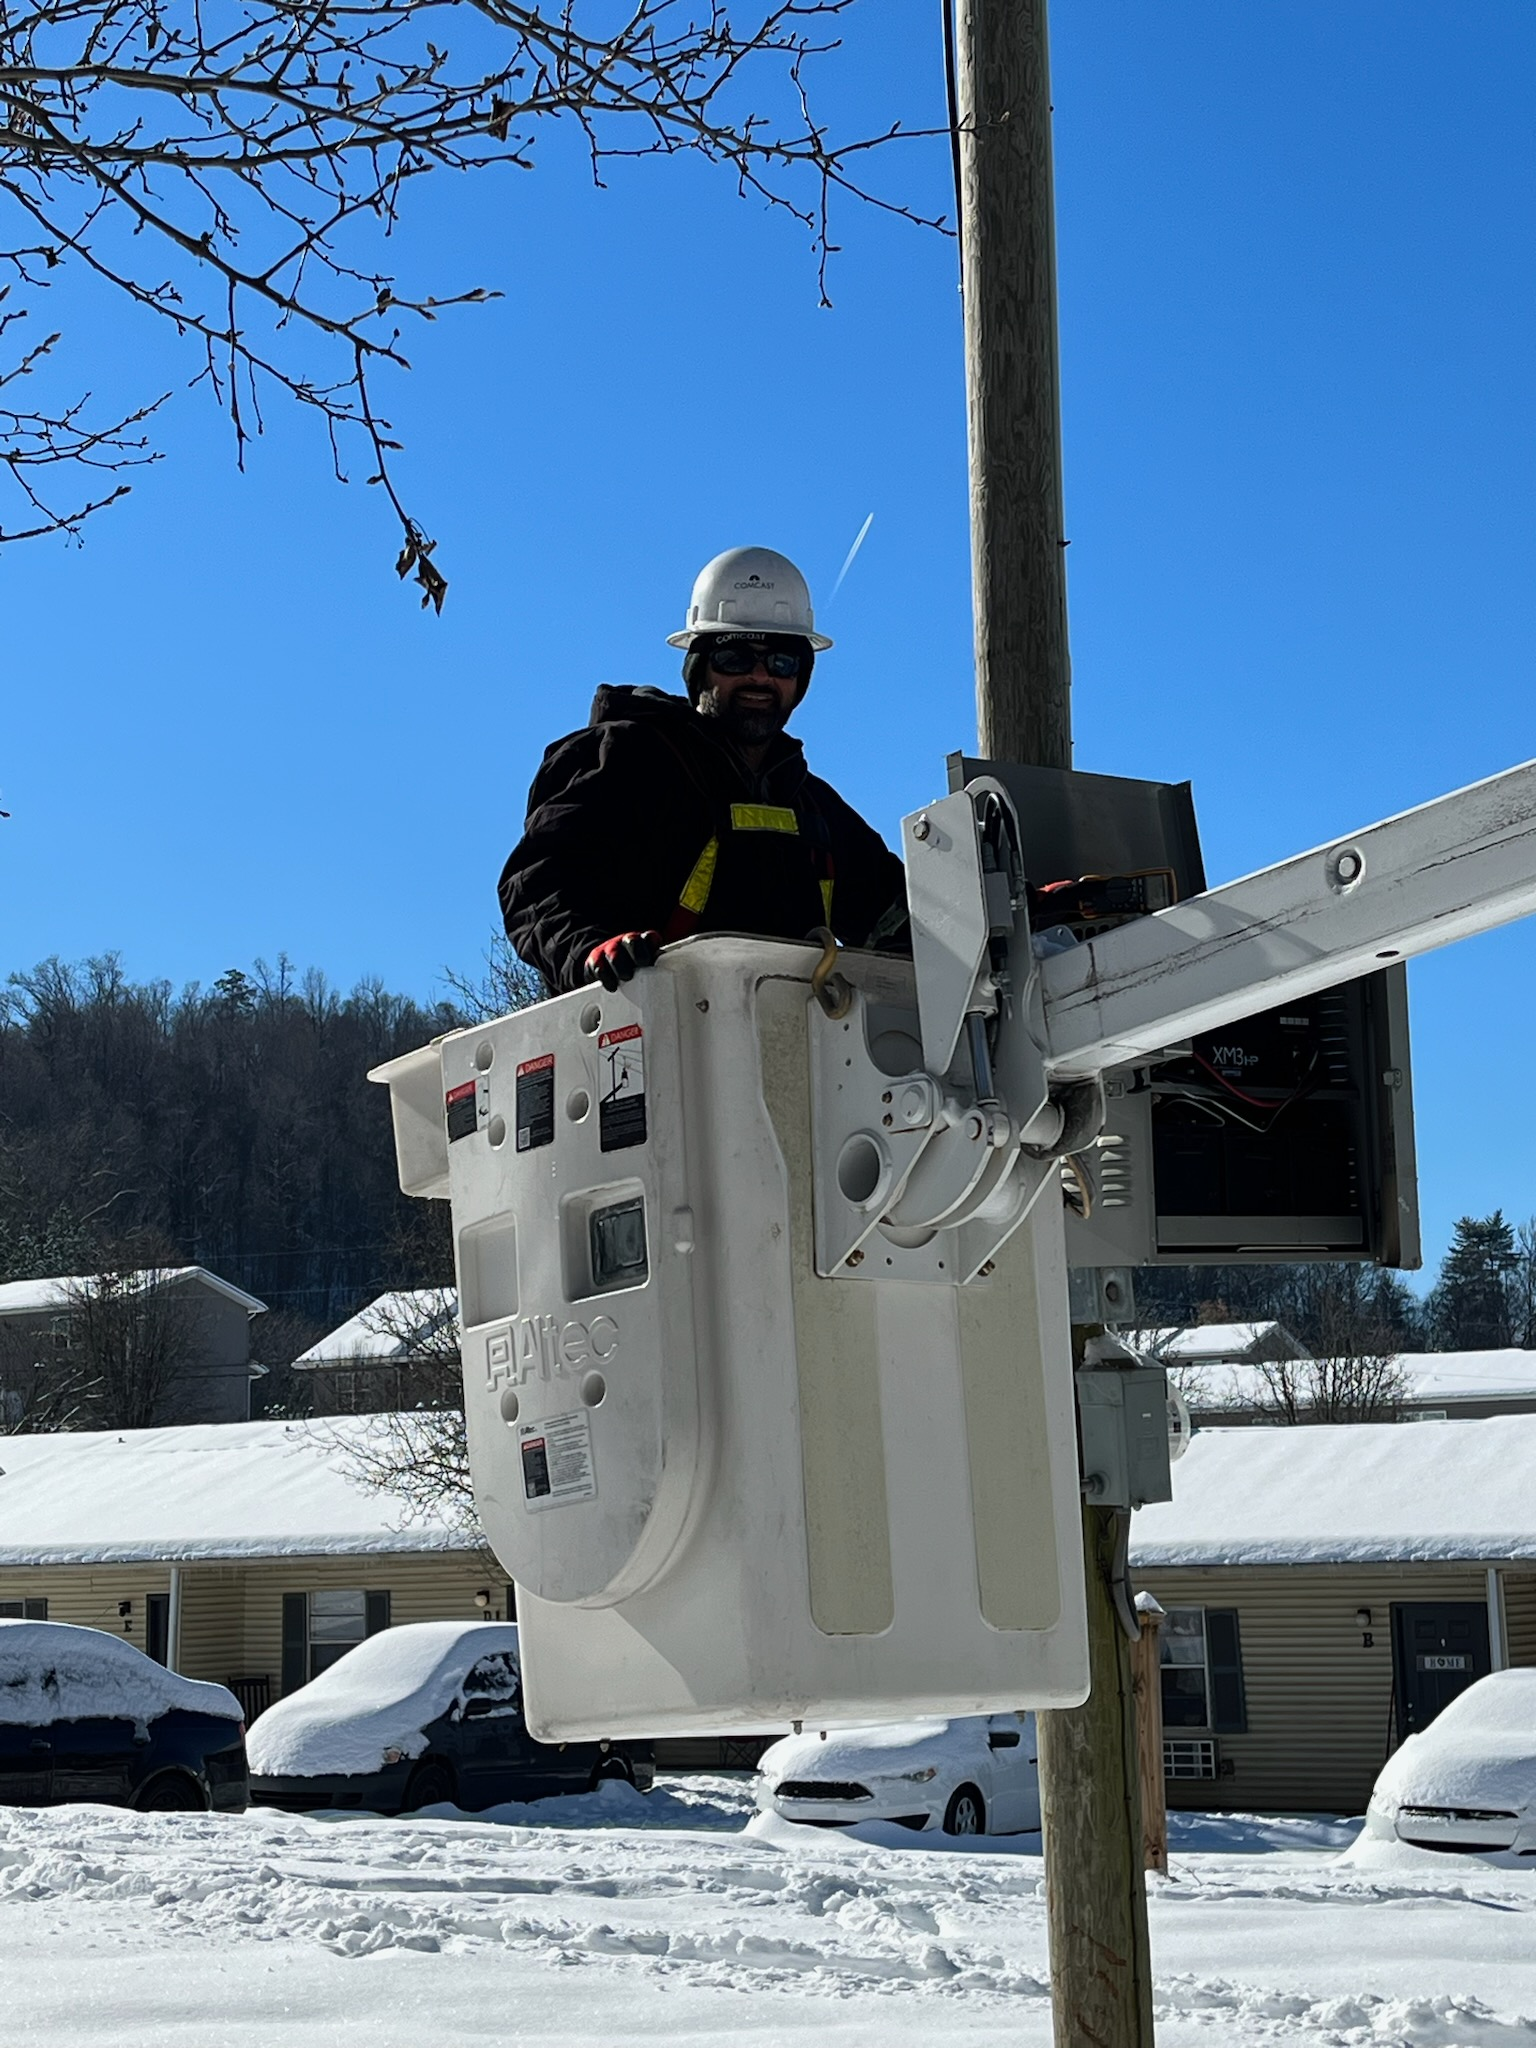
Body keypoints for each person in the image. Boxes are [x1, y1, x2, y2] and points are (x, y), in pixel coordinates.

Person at [500, 547, 909, 993]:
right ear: (699, 669)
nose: (760, 677)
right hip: (646, 1035)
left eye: (782, 662)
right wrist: (587, 951)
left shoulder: (814, 807)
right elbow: (537, 883)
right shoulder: (630, 760)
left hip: (795, 1046)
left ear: (801, 679)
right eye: (734, 659)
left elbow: (900, 916)